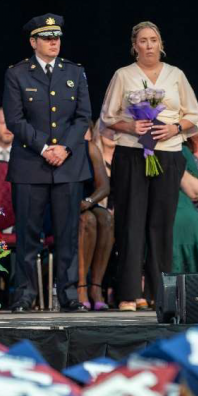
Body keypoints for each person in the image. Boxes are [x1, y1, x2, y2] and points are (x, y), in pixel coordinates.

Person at [100, 21, 198, 312]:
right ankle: (129, 294)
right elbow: (108, 117)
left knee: (161, 224)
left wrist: (174, 128)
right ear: (135, 45)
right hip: (131, 153)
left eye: (153, 40)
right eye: (142, 40)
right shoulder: (123, 75)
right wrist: (132, 126)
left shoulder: (175, 75)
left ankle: (160, 294)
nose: (148, 45)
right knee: (130, 223)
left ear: (160, 43)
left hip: (167, 153)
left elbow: (193, 115)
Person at [3, 13, 91, 313]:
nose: (54, 42)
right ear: (33, 42)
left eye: (57, 37)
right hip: (31, 163)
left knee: (67, 234)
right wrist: (44, 147)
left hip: (68, 163)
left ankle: (68, 293)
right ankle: (25, 293)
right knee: (28, 234)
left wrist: (64, 147)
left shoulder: (75, 72)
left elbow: (82, 117)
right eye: (47, 38)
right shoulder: (18, 74)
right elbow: (14, 119)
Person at [77, 125, 114, 310]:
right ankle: (81, 286)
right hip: (60, 206)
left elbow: (104, 187)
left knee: (106, 219)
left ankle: (96, 287)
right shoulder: (57, 148)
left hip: (87, 201)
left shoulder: (90, 148)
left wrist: (88, 201)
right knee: (88, 220)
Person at [172, 145, 198, 273]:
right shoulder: (139, 146)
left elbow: (194, 192)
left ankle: (194, 289)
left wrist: (171, 155)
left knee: (190, 223)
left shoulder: (181, 149)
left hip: (183, 211)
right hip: (152, 211)